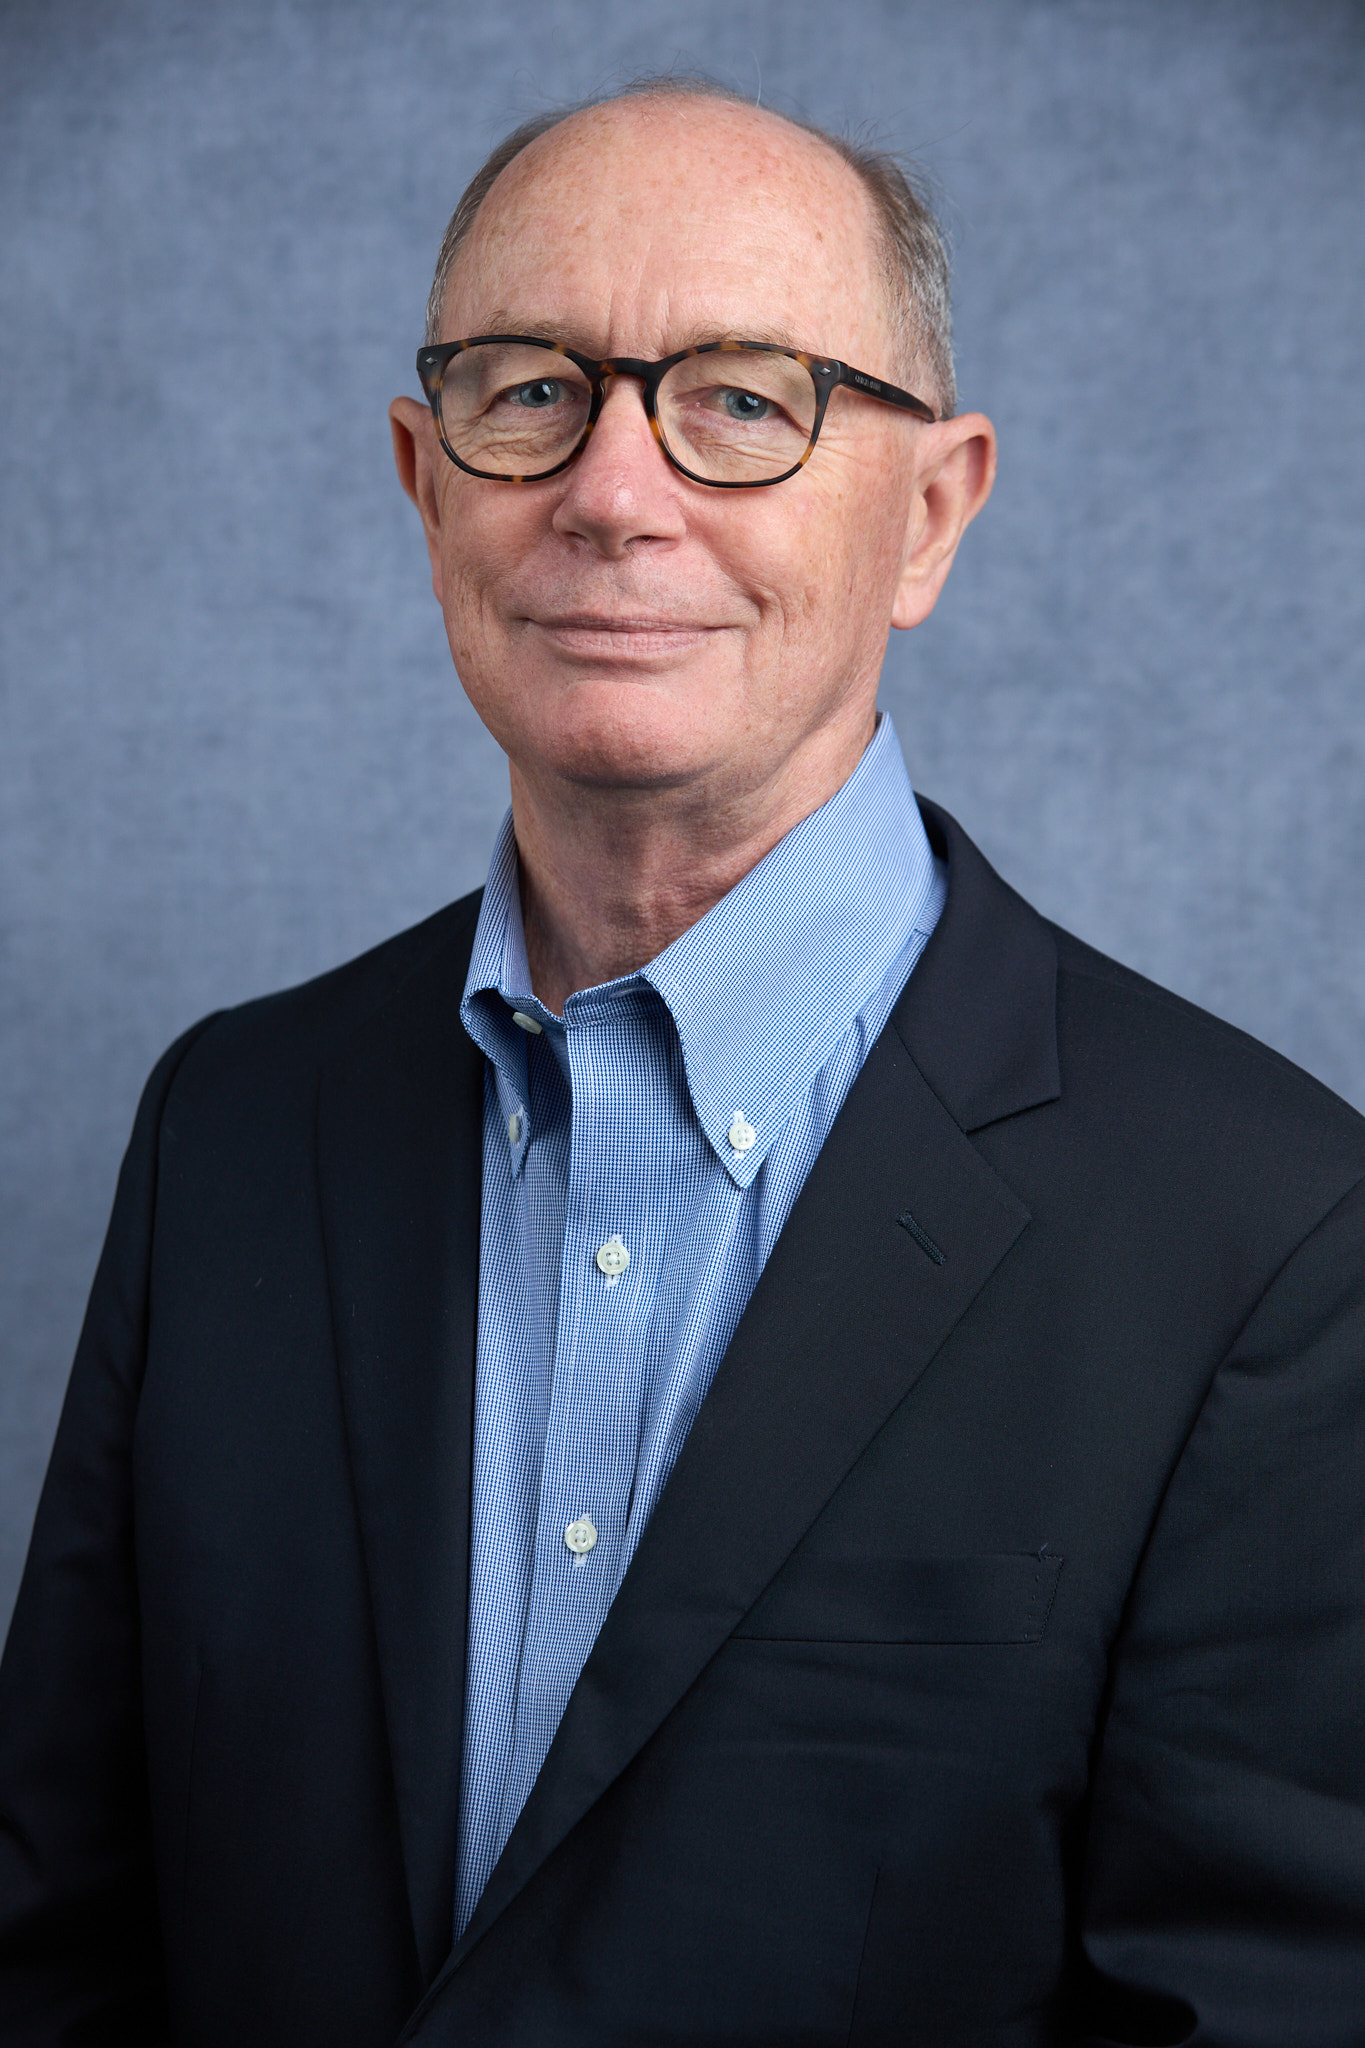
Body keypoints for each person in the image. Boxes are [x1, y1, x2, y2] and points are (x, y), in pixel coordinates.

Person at [1, 75, 1363, 2048]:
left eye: (739, 400)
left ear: (929, 513)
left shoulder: (1264, 1234)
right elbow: (55, 1943)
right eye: (528, 391)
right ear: (424, 481)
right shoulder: (230, 1127)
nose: (612, 493)